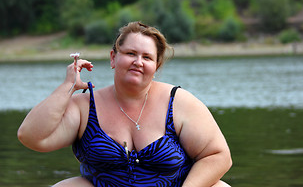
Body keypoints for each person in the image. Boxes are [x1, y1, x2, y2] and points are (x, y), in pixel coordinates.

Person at [18, 21, 232, 187]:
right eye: (130, 53)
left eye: (147, 57)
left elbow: (218, 155)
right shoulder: (84, 106)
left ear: (156, 66)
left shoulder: (178, 102)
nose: (138, 62)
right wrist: (68, 86)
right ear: (113, 58)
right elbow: (31, 137)